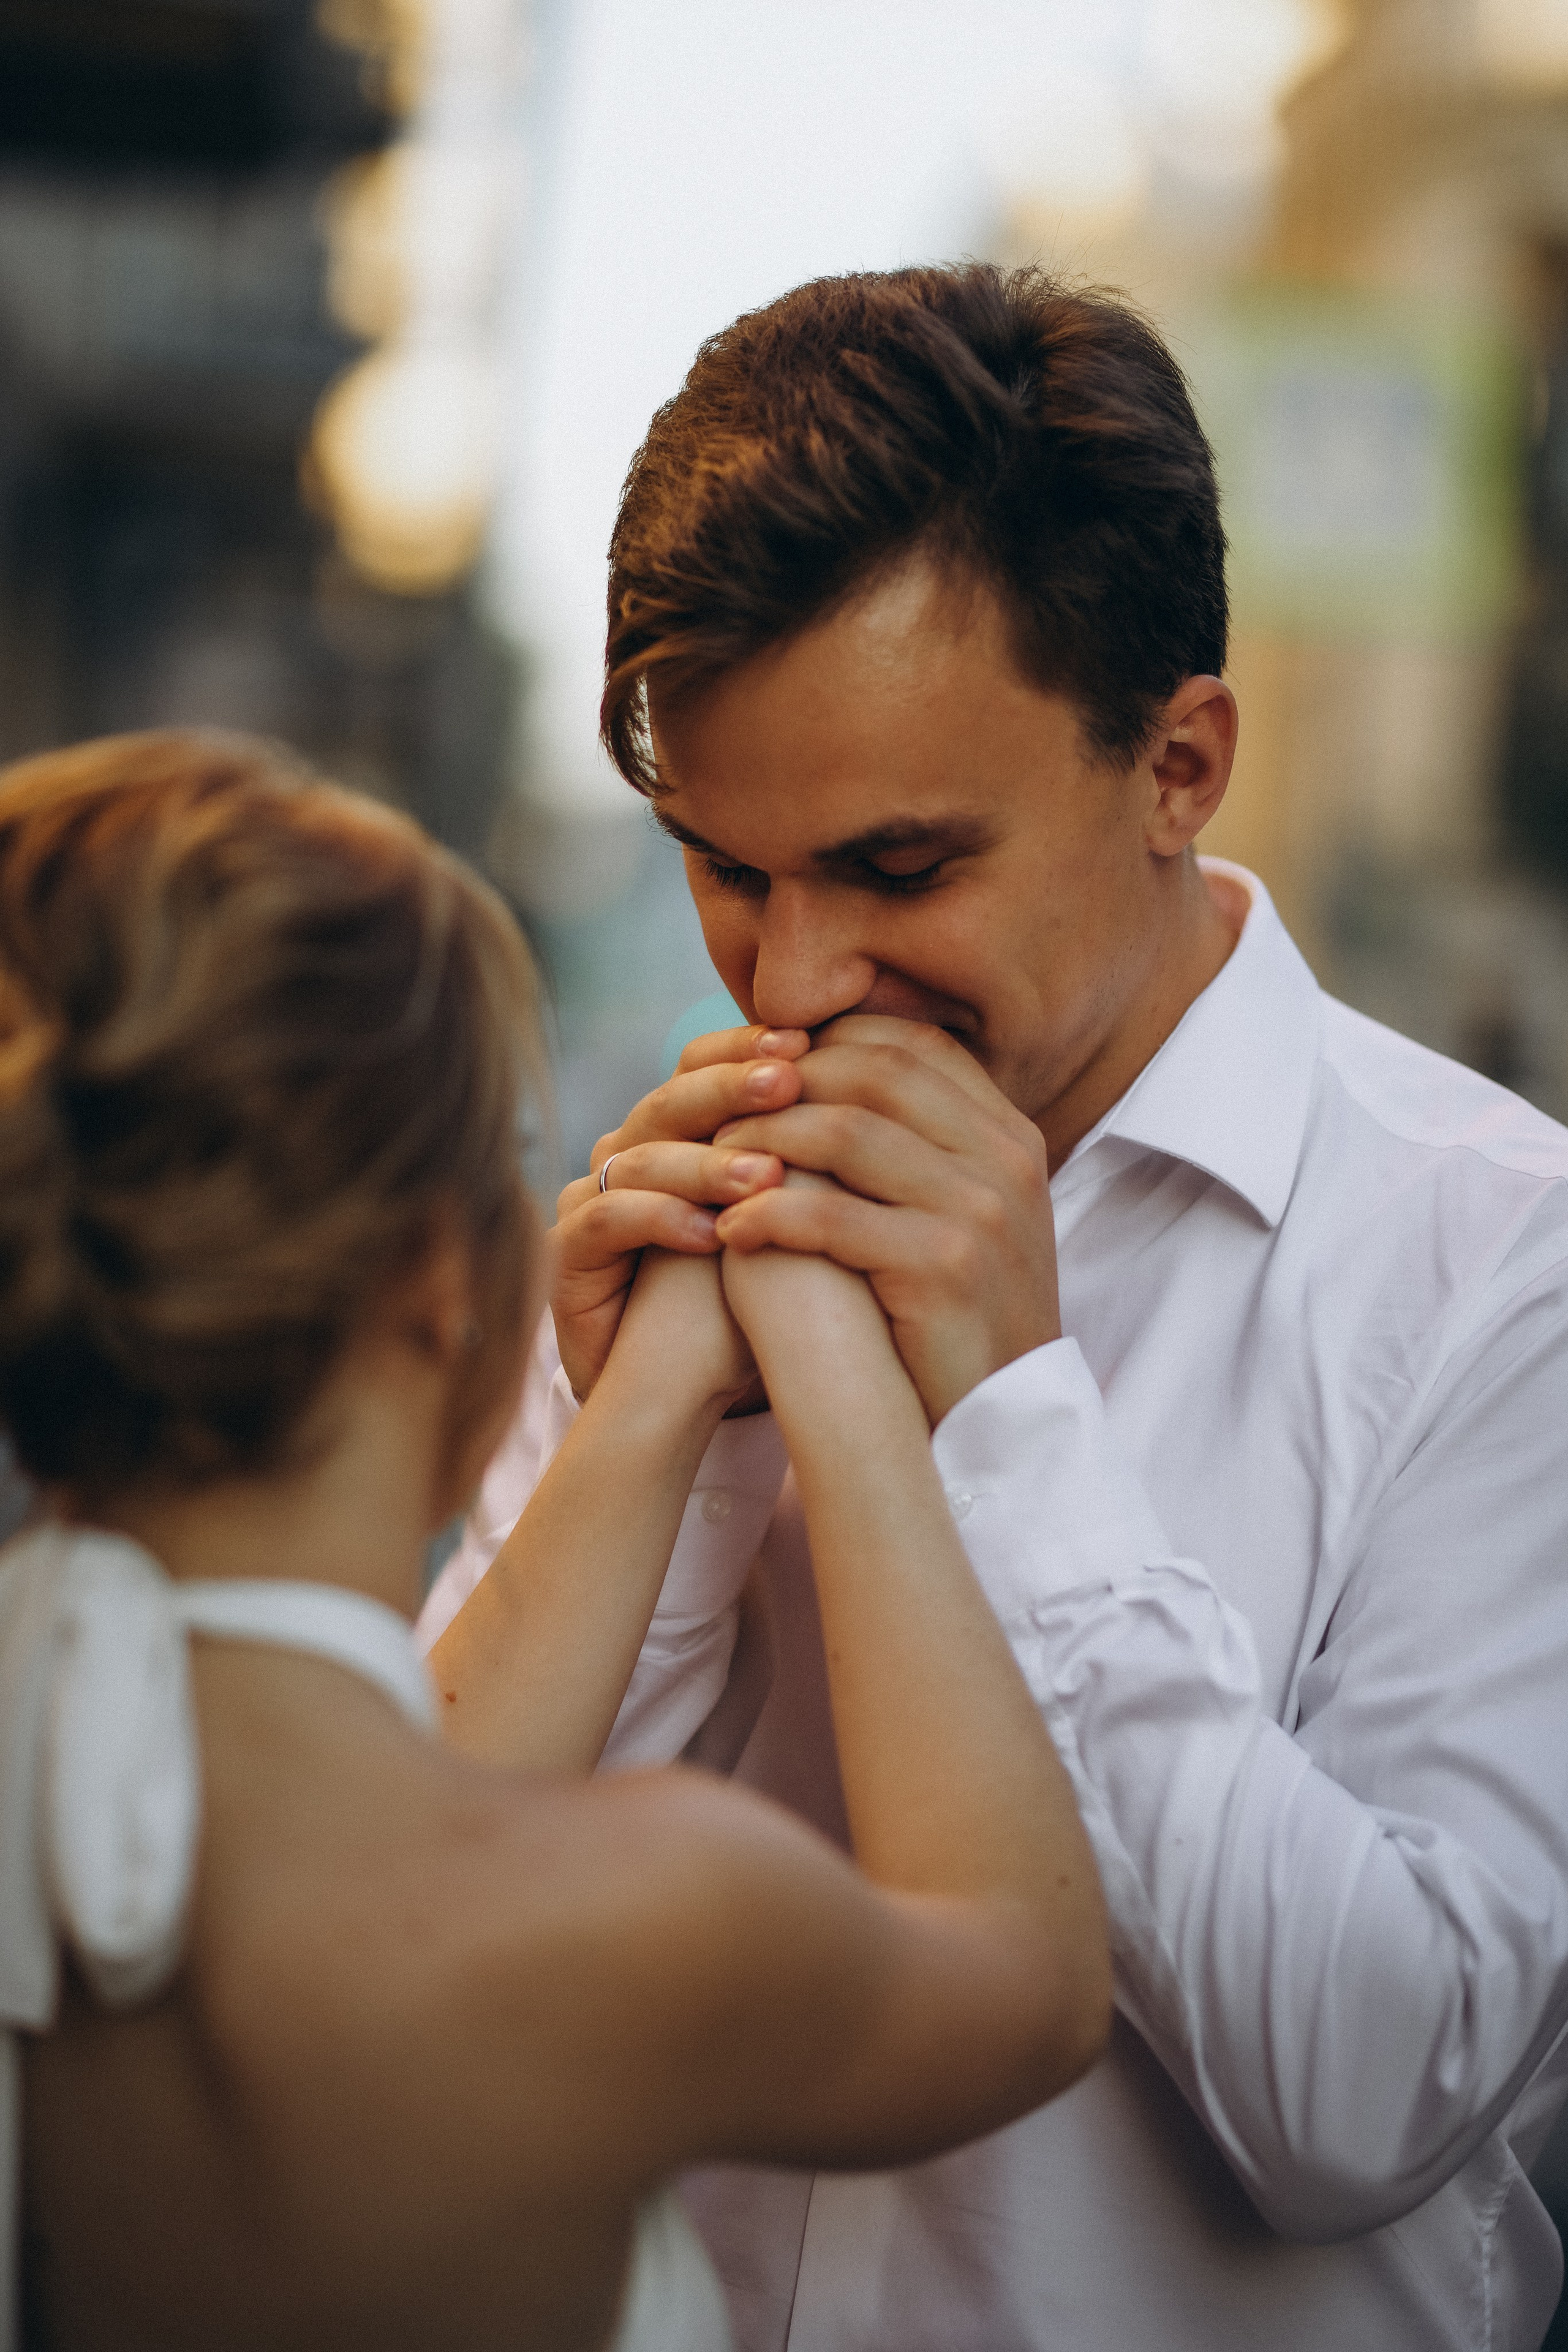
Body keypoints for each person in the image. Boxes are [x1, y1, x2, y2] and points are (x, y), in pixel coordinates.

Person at [425, 265, 1568, 2351]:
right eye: (727, 869)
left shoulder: (1506, 1268)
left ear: (1180, 765)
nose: (791, 985)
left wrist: (1013, 1417)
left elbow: (1376, 2096)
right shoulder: (675, 1219)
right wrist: (654, 1455)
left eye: (898, 869)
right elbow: (412, 1938)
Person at [0, 729, 1110, 2352]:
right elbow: (1028, 1974)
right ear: (441, 1289)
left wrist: (652, 1394)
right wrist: (847, 1374)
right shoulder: (647, 1920)